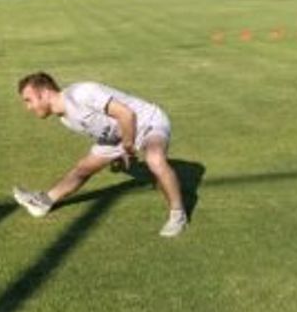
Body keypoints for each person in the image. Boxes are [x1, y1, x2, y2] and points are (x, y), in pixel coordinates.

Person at [12, 72, 187, 237]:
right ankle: (44, 202)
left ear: (44, 93)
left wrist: (127, 146)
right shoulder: (65, 118)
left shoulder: (81, 94)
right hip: (119, 134)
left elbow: (127, 114)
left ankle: (178, 214)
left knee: (154, 159)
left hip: (147, 122)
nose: (28, 107)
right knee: (83, 168)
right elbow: (104, 129)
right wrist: (118, 152)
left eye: (29, 100)